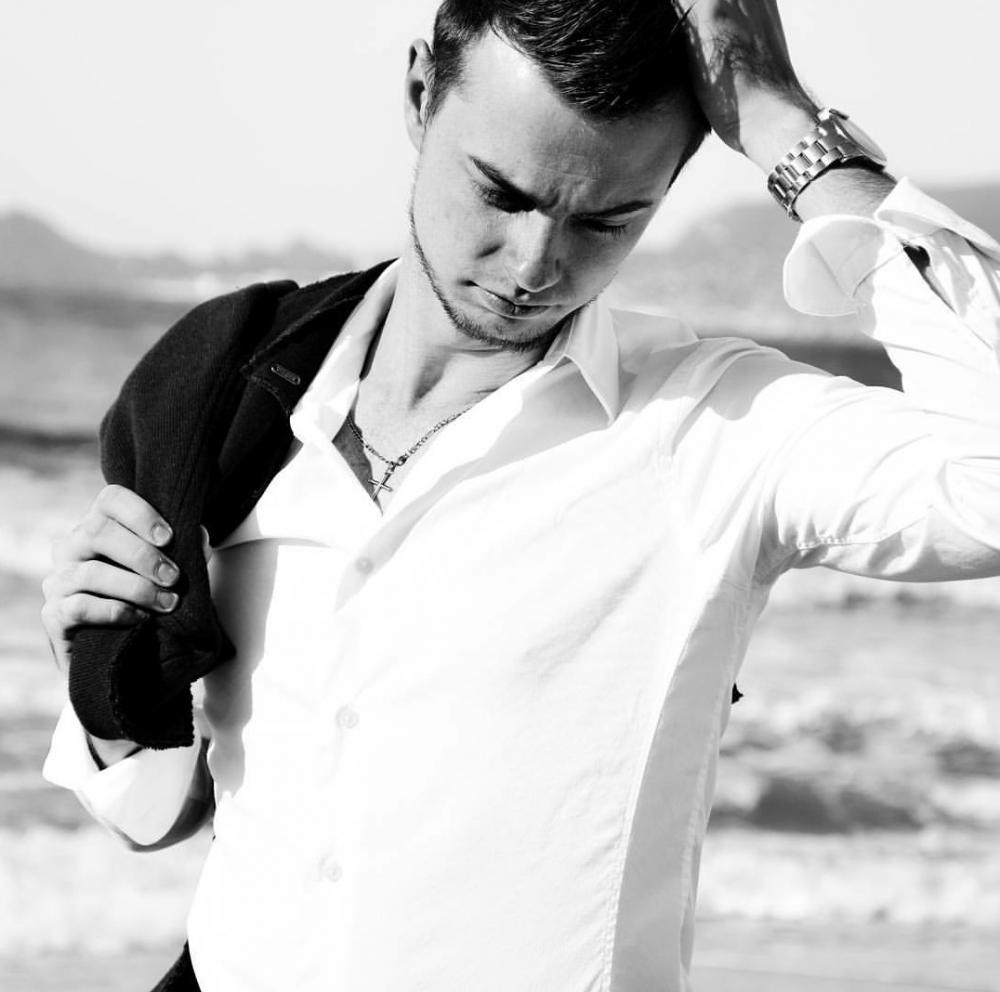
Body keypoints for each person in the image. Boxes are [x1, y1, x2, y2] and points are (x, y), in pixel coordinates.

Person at [41, 1, 1000, 989]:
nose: (536, 265)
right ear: (420, 94)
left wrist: (784, 126)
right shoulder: (230, 397)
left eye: (606, 220)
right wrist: (102, 682)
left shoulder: (712, 428)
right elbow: (162, 814)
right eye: (501, 194)